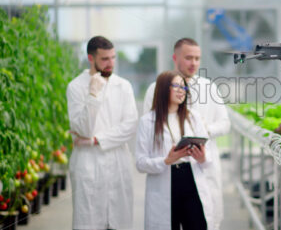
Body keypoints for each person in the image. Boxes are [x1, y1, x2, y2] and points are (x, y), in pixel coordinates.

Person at [142, 38, 229, 227]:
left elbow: (225, 124)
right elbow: (149, 128)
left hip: (201, 164)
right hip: (167, 170)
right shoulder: (155, 89)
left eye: (197, 58)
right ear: (175, 58)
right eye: (189, 58)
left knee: (204, 219)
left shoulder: (209, 87)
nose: (194, 63)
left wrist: (204, 130)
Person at [66, 36, 138, 230]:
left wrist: (96, 140)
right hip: (88, 165)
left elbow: (130, 126)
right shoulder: (75, 87)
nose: (110, 64)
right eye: (105, 59)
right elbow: (84, 129)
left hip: (118, 164)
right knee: (88, 222)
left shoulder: (124, 86)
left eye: (113, 58)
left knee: (119, 222)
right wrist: (93, 95)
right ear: (91, 58)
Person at [136, 71, 218, 230]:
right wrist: (167, 160)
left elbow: (209, 156)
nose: (182, 91)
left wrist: (203, 158)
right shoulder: (147, 122)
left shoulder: (193, 117)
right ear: (163, 89)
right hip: (165, 180)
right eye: (177, 86)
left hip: (191, 179)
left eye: (184, 87)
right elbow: (140, 163)